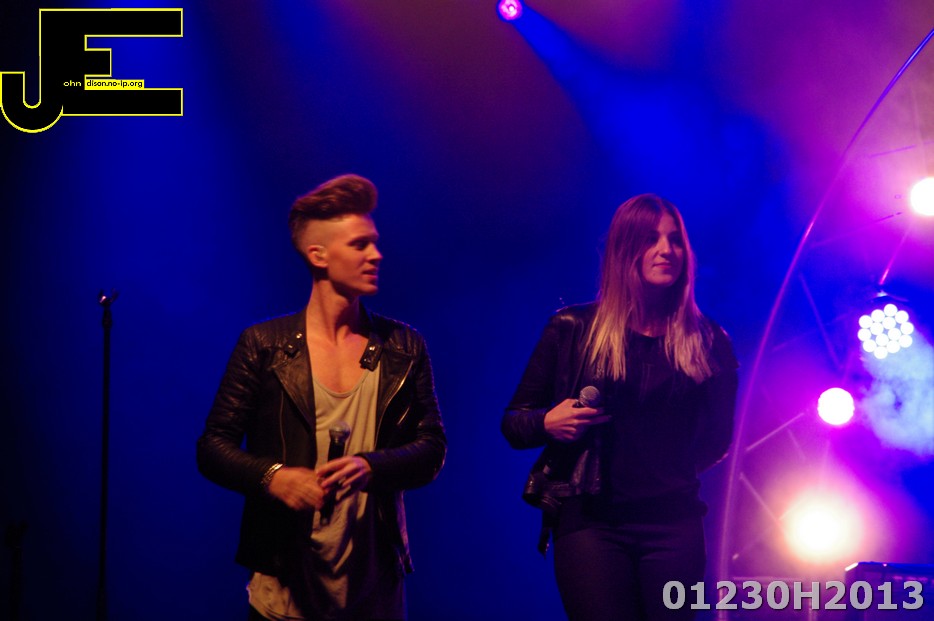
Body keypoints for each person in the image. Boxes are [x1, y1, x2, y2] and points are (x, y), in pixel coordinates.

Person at [197, 174, 446, 621]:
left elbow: (432, 449)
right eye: (359, 245)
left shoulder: (403, 347)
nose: (376, 255)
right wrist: (273, 477)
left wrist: (372, 466)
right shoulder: (264, 345)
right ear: (319, 255)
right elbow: (213, 447)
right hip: (285, 590)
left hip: (375, 589)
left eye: (374, 243)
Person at [502, 193, 738, 621]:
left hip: (674, 525)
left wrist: (665, 473)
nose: (666, 250)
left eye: (675, 239)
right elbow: (514, 421)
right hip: (592, 525)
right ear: (624, 249)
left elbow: (718, 440)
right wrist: (547, 422)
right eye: (651, 239)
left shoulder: (708, 340)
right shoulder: (573, 329)